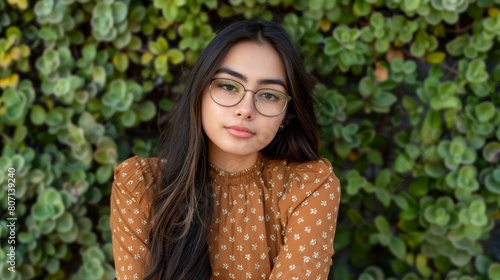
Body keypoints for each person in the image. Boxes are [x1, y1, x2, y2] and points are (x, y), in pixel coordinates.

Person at [110, 19, 341, 280]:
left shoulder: (308, 188)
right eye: (229, 86)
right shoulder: (141, 186)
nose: (246, 109)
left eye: (269, 95)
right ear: (199, 92)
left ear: (286, 115)